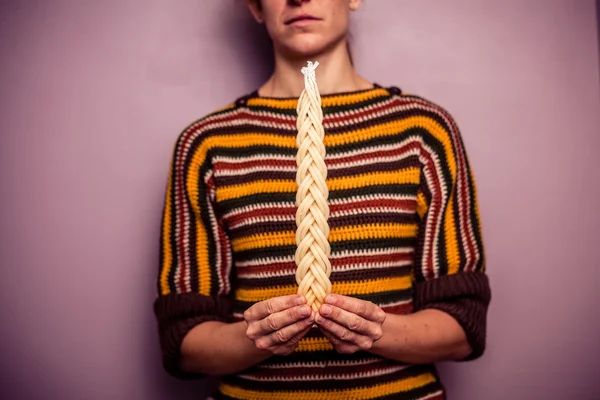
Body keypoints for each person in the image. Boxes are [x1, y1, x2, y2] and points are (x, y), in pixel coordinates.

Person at [153, 0, 491, 399]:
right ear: (255, 7)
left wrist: (375, 329)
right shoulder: (208, 145)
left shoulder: (423, 132)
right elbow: (183, 342)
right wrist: (257, 336)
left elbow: (463, 328)